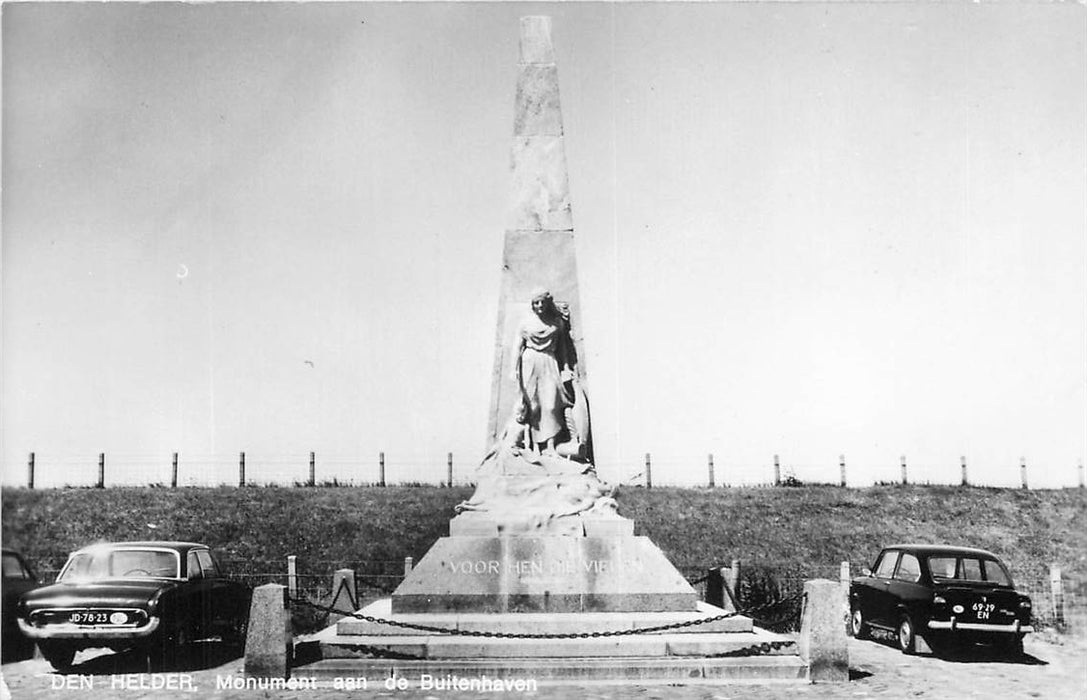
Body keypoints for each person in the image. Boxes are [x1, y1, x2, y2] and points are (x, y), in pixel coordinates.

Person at [511, 288, 577, 455]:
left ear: (547, 303)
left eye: (542, 302)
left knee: (550, 405)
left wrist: (567, 368)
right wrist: (513, 369)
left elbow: (563, 349)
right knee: (533, 406)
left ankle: (550, 446)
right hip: (529, 361)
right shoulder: (525, 323)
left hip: (549, 361)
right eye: (535, 302)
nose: (539, 305)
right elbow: (517, 346)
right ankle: (533, 446)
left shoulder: (556, 323)